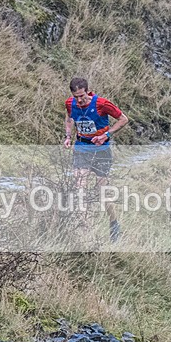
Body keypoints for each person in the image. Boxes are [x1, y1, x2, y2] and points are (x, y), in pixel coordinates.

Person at [62, 77, 129, 242]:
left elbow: (123, 119)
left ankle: (113, 223)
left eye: (82, 96)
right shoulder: (70, 103)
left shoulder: (102, 104)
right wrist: (68, 136)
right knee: (80, 188)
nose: (79, 100)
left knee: (103, 193)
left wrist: (105, 134)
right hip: (81, 149)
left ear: (87, 91)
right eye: (76, 96)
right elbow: (69, 118)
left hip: (101, 151)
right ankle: (86, 233)